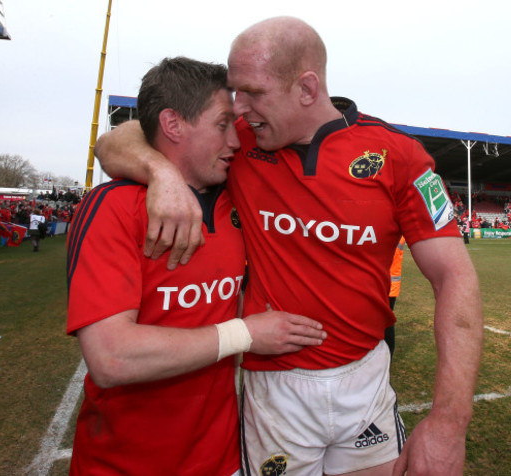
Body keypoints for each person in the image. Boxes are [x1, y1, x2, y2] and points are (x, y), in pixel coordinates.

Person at [95, 17, 483, 476]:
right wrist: (160, 172)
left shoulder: (396, 154)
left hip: (365, 379)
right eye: (235, 91)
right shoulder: (237, 143)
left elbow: (454, 276)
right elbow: (115, 140)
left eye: (253, 93)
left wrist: (449, 421)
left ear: (306, 88)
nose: (239, 107)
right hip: (274, 388)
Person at [66, 56, 326, 476]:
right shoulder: (112, 207)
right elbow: (112, 357)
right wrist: (245, 334)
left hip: (223, 461)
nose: (236, 142)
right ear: (172, 125)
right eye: (222, 125)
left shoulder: (233, 199)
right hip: (121, 466)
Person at [385, 236, 406, 357]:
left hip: (389, 284)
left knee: (386, 323)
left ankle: (388, 356)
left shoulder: (395, 234)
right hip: (388, 283)